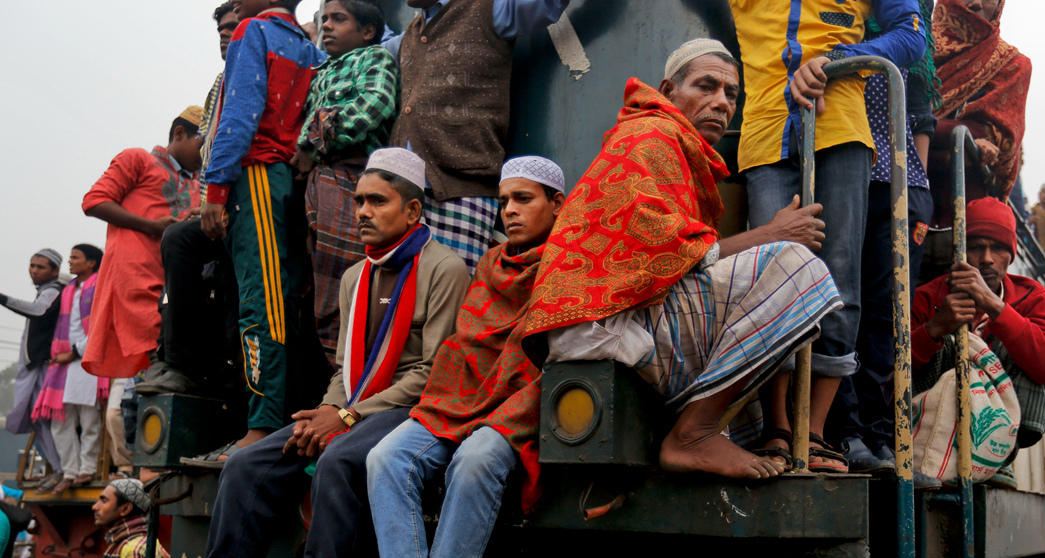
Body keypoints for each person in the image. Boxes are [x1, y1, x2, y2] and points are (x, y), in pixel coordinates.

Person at [146, 150, 470, 558]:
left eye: (378, 201)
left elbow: (431, 372)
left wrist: (344, 420)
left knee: (343, 462)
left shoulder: (445, 269)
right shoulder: (355, 276)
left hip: (408, 410)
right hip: (347, 407)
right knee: (248, 465)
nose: (363, 212)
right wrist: (324, 412)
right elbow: (345, 366)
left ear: (413, 208)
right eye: (360, 201)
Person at [524, 40, 839, 479]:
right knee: (795, 265)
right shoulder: (651, 134)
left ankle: (714, 434)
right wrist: (773, 234)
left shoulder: (669, 143)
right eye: (706, 86)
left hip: (618, 322)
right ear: (669, 90)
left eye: (731, 94)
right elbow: (676, 251)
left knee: (752, 330)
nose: (721, 103)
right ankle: (694, 434)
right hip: (603, 326)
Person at [362, 155, 566, 558]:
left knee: (476, 460)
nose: (510, 211)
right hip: (458, 397)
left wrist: (498, 412)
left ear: (557, 204)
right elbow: (466, 347)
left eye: (524, 199)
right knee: (385, 458)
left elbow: (559, 356)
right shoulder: (490, 265)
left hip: (523, 405)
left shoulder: (571, 266)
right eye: (504, 201)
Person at [729, 0, 926, 472]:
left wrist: (840, 60)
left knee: (839, 282)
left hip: (840, 129)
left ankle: (813, 433)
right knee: (770, 281)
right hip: (764, 135)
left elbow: (912, 35)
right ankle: (777, 428)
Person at [196, 0, 324, 459]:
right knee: (284, 298)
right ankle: (278, 414)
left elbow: (240, 114)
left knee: (260, 303)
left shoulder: (253, 31)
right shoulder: (310, 48)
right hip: (289, 183)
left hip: (254, 178)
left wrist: (215, 192)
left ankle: (261, 424)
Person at [386, 0, 571, 269]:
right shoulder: (408, 36)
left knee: (452, 299)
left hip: (462, 191)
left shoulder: (489, 8)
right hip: (402, 196)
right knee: (398, 300)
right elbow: (362, 51)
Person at [831, 15, 938, 472]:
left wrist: (915, 185)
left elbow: (921, 120)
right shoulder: (834, 22)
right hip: (847, 171)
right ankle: (846, 431)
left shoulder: (910, 40)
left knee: (886, 315)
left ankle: (881, 435)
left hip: (900, 183)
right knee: (843, 305)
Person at [910, 197, 1045, 484]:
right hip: (931, 422)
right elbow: (888, 371)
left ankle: (1000, 459)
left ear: (1011, 255)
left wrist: (996, 308)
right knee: (947, 342)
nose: (986, 259)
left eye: (997, 248)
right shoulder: (927, 296)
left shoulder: (1030, 296)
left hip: (1000, 426)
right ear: (959, 251)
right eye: (975, 247)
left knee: (1035, 347)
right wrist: (935, 328)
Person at [137, 2, 242, 397]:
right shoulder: (219, 83)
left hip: (257, 200)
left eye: (236, 25)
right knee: (180, 240)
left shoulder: (274, 61)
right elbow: (216, 148)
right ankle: (179, 364)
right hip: (216, 210)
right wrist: (208, 199)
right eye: (222, 30)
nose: (227, 34)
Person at [296, 0, 398, 367]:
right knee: (312, 276)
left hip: (354, 179)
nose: (327, 26)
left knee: (345, 278)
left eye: (339, 19)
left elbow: (374, 108)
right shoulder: (320, 71)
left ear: (368, 30)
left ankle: (347, 367)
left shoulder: (374, 60)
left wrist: (312, 140)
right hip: (317, 182)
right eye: (324, 19)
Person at [81, 108, 206, 379]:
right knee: (152, 358)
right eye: (202, 145)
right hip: (133, 273)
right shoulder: (137, 159)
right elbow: (94, 201)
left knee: (164, 359)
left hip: (171, 281)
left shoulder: (201, 185)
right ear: (180, 134)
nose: (206, 154)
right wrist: (150, 226)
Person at [931, 0, 1031, 198]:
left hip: (963, 188)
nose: (976, 3)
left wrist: (917, 127)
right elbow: (886, 118)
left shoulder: (1012, 65)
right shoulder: (913, 45)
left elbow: (997, 140)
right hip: (892, 170)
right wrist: (963, 135)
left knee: (994, 225)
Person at [31, 246, 111, 494]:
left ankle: (86, 470)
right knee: (60, 421)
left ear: (91, 263)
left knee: (88, 420)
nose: (70, 262)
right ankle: (70, 471)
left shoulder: (100, 286)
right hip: (63, 363)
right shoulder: (68, 290)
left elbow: (100, 325)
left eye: (75, 258)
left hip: (87, 359)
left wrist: (75, 352)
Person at [1, 249, 64, 490]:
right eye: (32, 266)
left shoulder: (52, 291)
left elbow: (39, 311)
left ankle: (60, 470)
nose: (34, 271)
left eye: (41, 267)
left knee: (43, 418)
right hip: (34, 366)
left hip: (44, 367)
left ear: (54, 271)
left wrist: (3, 299)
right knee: (36, 419)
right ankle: (56, 468)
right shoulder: (45, 291)